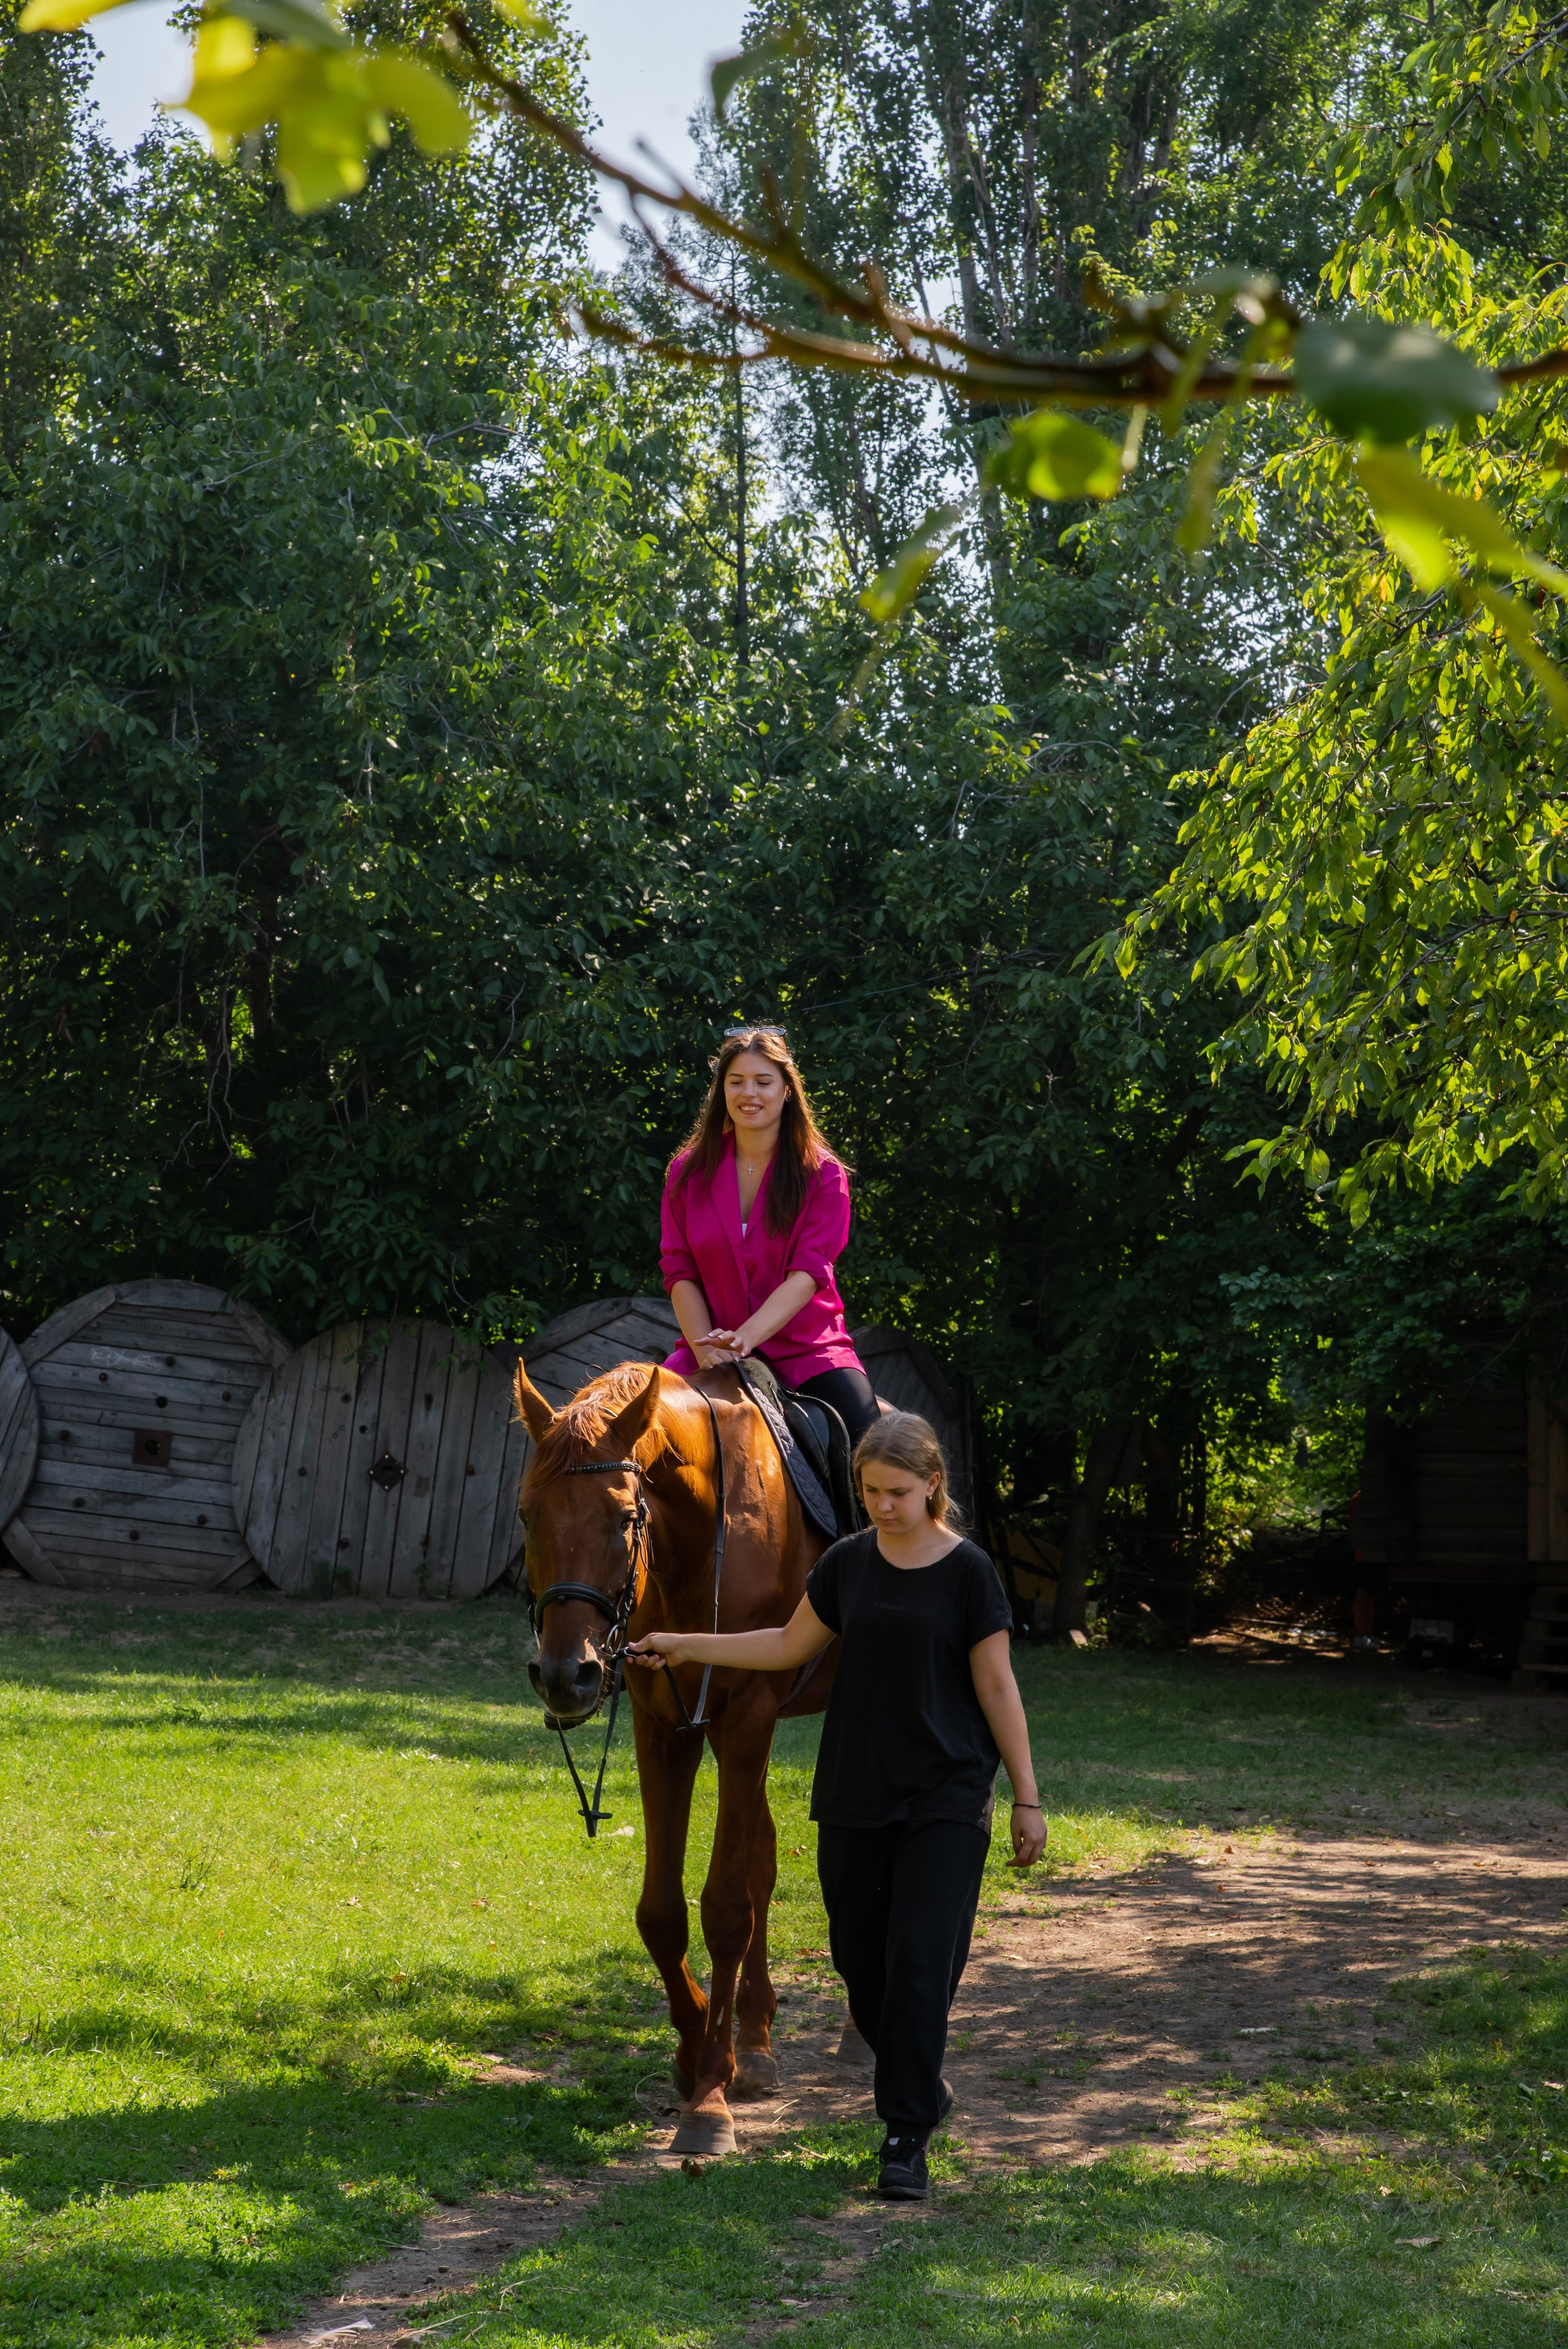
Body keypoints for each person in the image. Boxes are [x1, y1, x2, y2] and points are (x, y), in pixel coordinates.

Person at [629, 1409, 1046, 2203]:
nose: (882, 1505)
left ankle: (904, 2137)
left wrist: (1026, 1796)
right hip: (856, 1790)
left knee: (918, 1963)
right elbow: (785, 1646)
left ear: (932, 1485)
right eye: (870, 1491)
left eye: (897, 1492)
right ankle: (918, 2075)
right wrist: (685, 1643)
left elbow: (997, 1686)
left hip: (947, 1794)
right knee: (860, 1961)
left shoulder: (969, 1573)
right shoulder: (848, 1564)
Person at [659, 1024, 880, 1447]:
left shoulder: (824, 1175)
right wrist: (706, 1351)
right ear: (721, 1090)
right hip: (710, 1350)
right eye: (736, 1081)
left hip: (807, 1353)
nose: (749, 1093)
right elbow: (679, 1270)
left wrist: (745, 1338)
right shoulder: (685, 1173)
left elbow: (809, 1273)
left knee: (871, 1445)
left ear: (787, 1090)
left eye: (763, 1081)